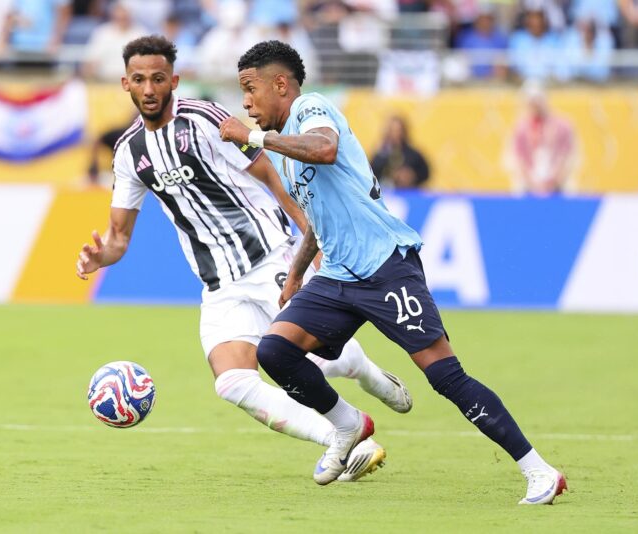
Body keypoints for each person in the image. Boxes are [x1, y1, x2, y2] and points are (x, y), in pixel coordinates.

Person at [219, 40, 566, 503]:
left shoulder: (311, 108)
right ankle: (347, 425)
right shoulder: (284, 151)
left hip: (385, 267)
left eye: (251, 87)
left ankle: (538, 470)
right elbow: (320, 223)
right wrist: (297, 276)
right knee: (276, 351)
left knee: (445, 377)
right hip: (338, 276)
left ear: (281, 84)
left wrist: (253, 137)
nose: (246, 101)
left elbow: (324, 149)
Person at [75, 35, 413, 482]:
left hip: (270, 256)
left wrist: (311, 239)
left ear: (173, 80)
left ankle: (366, 372)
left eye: (158, 78)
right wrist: (103, 256)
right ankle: (347, 437)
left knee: (320, 360)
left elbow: (271, 173)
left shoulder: (204, 119)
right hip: (218, 284)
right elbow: (119, 236)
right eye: (139, 79)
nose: (150, 88)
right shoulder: (128, 153)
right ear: (125, 84)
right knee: (232, 383)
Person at [505, 80, 577, 195]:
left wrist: (555, 179)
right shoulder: (521, 128)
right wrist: (531, 182)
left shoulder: (562, 126)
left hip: (558, 186)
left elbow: (568, 155)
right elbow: (516, 159)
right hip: (528, 186)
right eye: (531, 102)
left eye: (537, 101)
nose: (535, 105)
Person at [370, 115, 430, 189]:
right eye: (392, 130)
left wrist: (412, 176)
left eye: (398, 130)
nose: (396, 134)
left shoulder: (413, 154)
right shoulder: (381, 154)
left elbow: (425, 173)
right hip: (387, 195)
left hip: (408, 194)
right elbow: (372, 172)